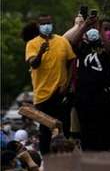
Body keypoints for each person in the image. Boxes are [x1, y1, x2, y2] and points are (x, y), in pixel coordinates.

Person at [25, 14, 76, 153]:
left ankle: (64, 158)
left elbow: (71, 61)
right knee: (45, 131)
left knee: (64, 128)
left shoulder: (62, 41)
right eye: (43, 24)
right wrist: (40, 52)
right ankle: (47, 159)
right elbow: (33, 64)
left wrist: (68, 84)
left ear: (52, 24)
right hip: (43, 95)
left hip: (61, 92)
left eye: (48, 23)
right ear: (38, 26)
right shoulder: (32, 44)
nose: (46, 26)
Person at [74, 27, 110, 151]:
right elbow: (72, 42)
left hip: (102, 95)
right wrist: (84, 26)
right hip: (84, 96)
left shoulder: (104, 48)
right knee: (87, 129)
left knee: (104, 128)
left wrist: (100, 28)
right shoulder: (82, 49)